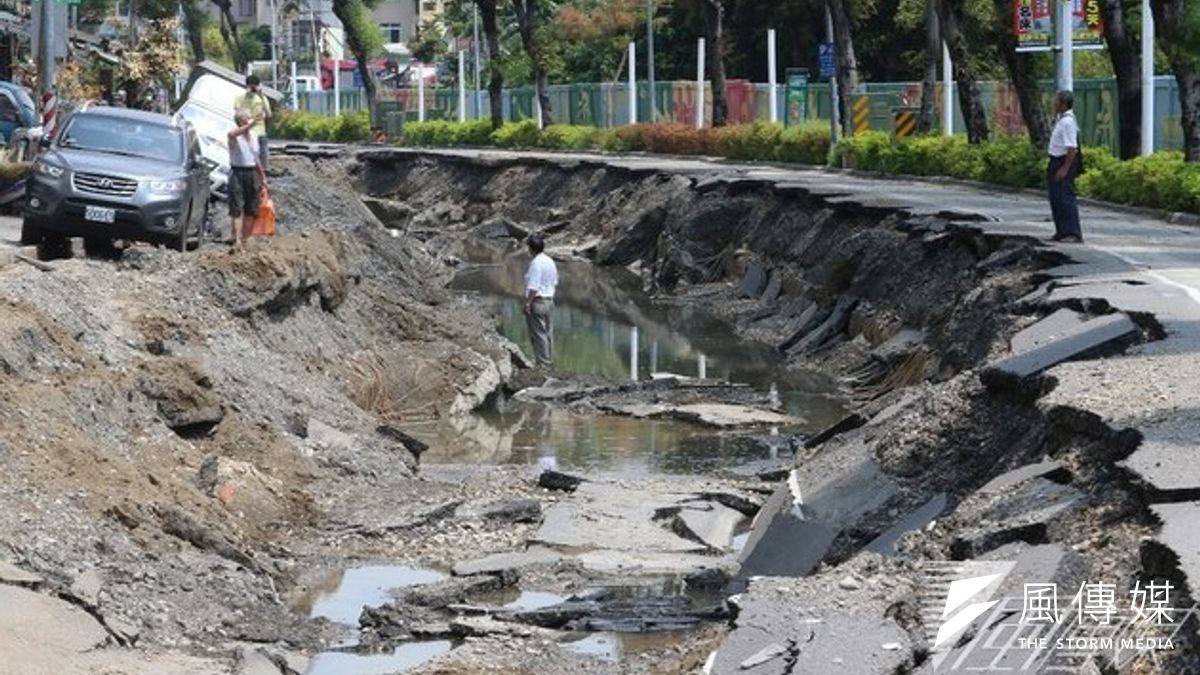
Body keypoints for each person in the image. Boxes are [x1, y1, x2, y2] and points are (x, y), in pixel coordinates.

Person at [227, 109, 266, 248]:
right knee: (237, 208)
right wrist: (252, 123)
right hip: (237, 172)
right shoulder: (234, 135)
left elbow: (255, 158)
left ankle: (245, 239)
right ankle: (237, 240)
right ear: (242, 121)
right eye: (248, 118)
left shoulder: (254, 136)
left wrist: (263, 177)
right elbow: (231, 134)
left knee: (252, 208)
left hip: (251, 173)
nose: (251, 119)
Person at [1047, 90, 1083, 243]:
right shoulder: (1062, 120)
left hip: (1063, 161)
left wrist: (1064, 168)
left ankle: (1072, 232)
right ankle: (1061, 231)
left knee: (1065, 197)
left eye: (1057, 101)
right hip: (1056, 160)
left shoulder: (1067, 122)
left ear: (1063, 103)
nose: (1054, 104)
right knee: (1056, 198)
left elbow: (1072, 148)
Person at [523, 233, 558, 370]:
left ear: (531, 249)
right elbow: (555, 282)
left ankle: (543, 364)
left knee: (538, 334)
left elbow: (533, 287)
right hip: (550, 301)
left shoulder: (536, 263)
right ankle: (549, 360)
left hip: (538, 302)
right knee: (548, 333)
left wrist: (527, 303)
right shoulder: (550, 261)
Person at [235, 75, 272, 172]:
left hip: (259, 133)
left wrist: (261, 96)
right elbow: (239, 116)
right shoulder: (239, 99)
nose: (252, 89)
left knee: (262, 164)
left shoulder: (262, 98)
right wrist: (256, 117)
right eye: (251, 86)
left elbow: (268, 115)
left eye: (254, 86)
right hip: (246, 133)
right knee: (250, 163)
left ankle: (262, 183)